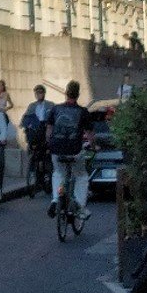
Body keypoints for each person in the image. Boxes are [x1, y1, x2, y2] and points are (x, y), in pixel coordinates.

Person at [49, 80, 94, 223]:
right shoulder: (82, 112)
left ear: (65, 93)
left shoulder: (55, 109)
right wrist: (93, 145)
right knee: (81, 176)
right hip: (74, 150)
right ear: (78, 95)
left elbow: (48, 130)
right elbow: (90, 133)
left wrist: (50, 143)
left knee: (58, 173)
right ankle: (80, 206)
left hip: (56, 148)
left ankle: (56, 199)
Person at [21, 86, 51, 188]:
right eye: (37, 93)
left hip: (45, 130)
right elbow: (25, 118)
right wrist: (26, 125)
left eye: (41, 92)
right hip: (35, 131)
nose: (39, 95)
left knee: (47, 153)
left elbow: (54, 118)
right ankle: (34, 173)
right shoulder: (32, 106)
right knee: (33, 151)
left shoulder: (50, 105)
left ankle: (47, 172)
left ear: (44, 93)